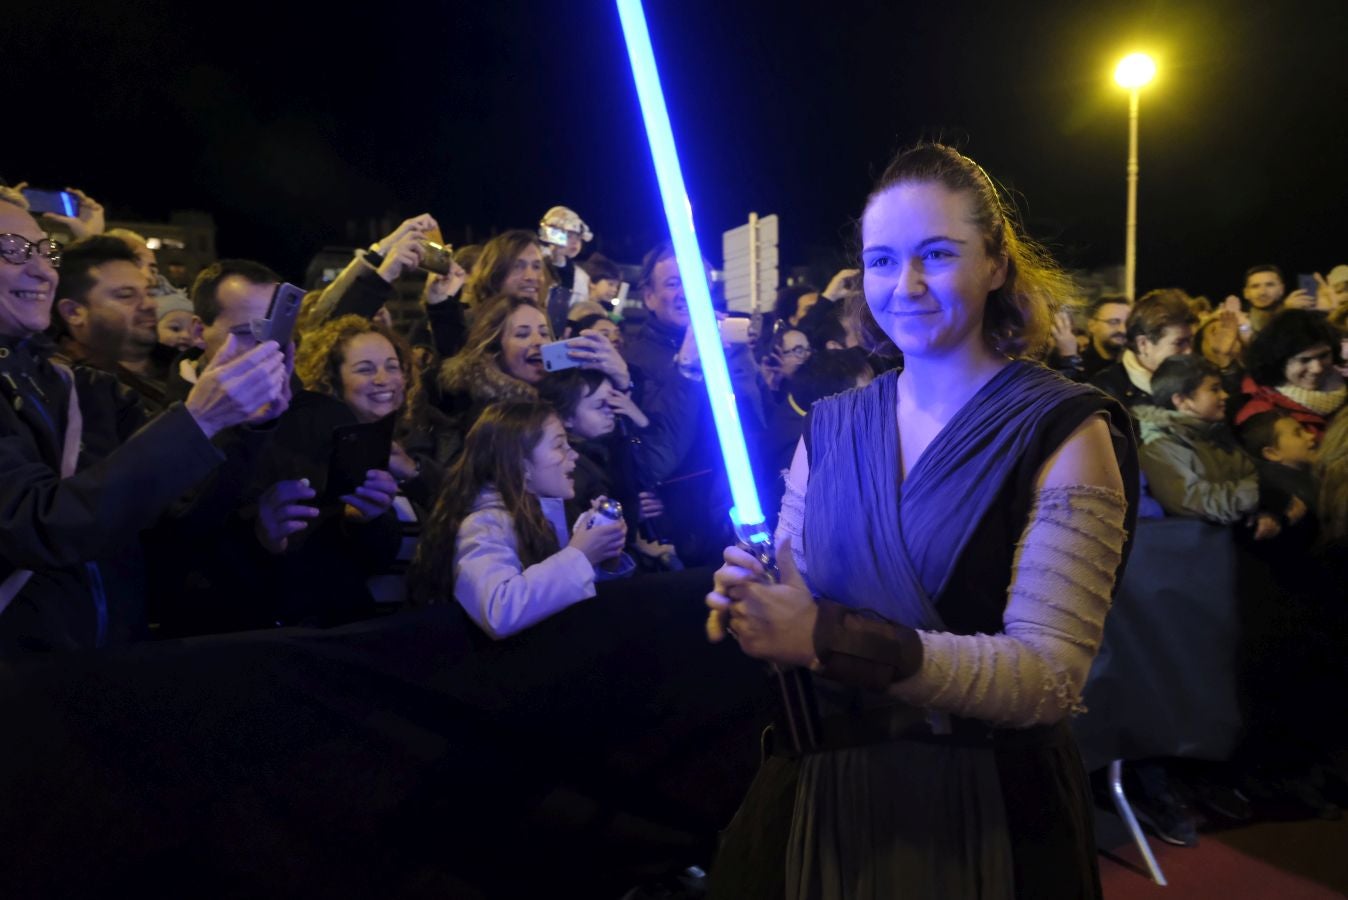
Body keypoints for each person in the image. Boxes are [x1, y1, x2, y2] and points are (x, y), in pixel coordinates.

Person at [704, 143, 1137, 899]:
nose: (903, 286)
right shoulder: (830, 426)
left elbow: (1048, 680)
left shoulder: (1066, 430)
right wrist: (758, 602)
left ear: (997, 264)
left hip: (986, 818)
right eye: (880, 260)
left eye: (936, 254)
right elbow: (797, 595)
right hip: (824, 801)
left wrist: (827, 638)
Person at [0, 197, 289, 652]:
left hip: (106, 671)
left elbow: (181, 513)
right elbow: (40, 524)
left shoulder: (75, 384)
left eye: (45, 252)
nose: (42, 270)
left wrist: (246, 426)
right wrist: (202, 417)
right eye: (14, 249)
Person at [408, 401, 629, 639]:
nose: (574, 455)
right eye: (559, 445)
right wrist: (580, 555)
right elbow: (497, 611)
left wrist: (605, 558)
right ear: (520, 464)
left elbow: (561, 600)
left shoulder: (549, 513)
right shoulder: (484, 523)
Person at [1234, 309, 1346, 437]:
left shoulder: (1343, 388)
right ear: (1279, 361)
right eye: (1304, 360)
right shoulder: (1261, 415)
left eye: (1324, 355)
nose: (1317, 368)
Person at [1090, 288, 1196, 410]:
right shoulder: (1104, 393)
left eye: (1190, 341)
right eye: (1179, 343)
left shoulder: (1197, 380)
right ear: (1143, 344)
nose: (1189, 351)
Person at [462, 230, 549, 309]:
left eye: (536, 267)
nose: (531, 277)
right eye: (517, 266)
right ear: (494, 275)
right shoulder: (467, 324)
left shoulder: (546, 322)